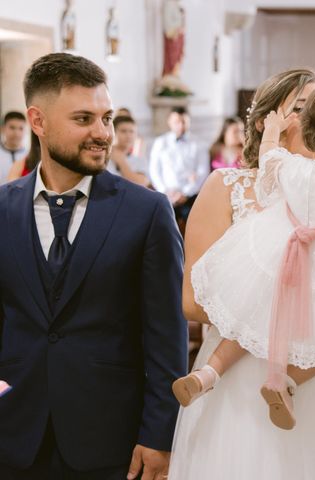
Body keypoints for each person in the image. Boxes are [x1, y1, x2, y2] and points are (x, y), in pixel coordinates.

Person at [170, 68, 315, 480]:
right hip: (242, 380)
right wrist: (276, 312)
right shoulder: (227, 186)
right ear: (266, 122)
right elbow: (191, 299)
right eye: (303, 108)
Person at [0, 53, 187, 479]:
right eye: (84, 119)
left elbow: (166, 336)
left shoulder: (147, 211)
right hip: (13, 433)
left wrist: (161, 434)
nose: (102, 133)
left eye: (107, 118)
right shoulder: (2, 208)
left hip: (110, 436)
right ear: (38, 121)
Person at [149, 106, 209, 230]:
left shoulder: (199, 144)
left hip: (190, 196)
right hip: (165, 195)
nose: (181, 126)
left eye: (184, 122)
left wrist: (185, 193)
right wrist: (165, 191)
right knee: (159, 226)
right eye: (177, 122)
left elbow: (203, 172)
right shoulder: (160, 142)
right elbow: (154, 171)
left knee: (195, 226)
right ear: (169, 122)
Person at [108, 115, 151, 187]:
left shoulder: (140, 160)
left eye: (132, 131)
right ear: (113, 133)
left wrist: (121, 162)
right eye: (123, 131)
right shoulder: (103, 156)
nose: (128, 135)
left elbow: (142, 184)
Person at [0, 111, 27, 184]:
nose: (16, 133)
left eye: (21, 128)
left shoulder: (29, 156)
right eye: (12, 127)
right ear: (3, 129)